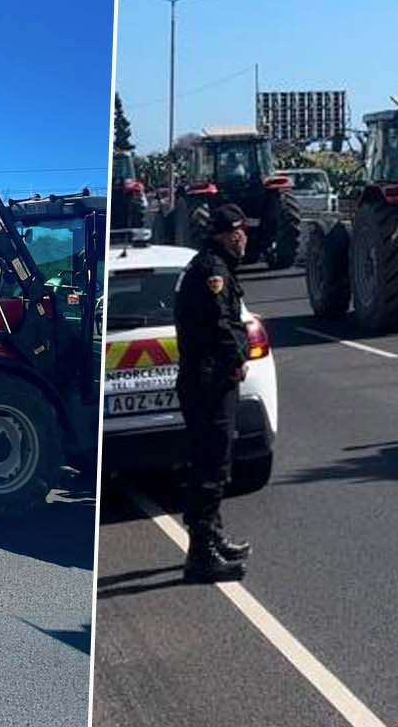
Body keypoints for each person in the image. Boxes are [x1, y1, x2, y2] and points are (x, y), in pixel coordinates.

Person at [172, 202, 253, 582]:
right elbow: (220, 326)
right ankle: (201, 555)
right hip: (208, 382)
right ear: (224, 234)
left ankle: (212, 537)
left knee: (214, 462)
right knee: (210, 465)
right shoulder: (212, 272)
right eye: (239, 231)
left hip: (209, 381)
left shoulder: (213, 267)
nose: (244, 237)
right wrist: (237, 357)